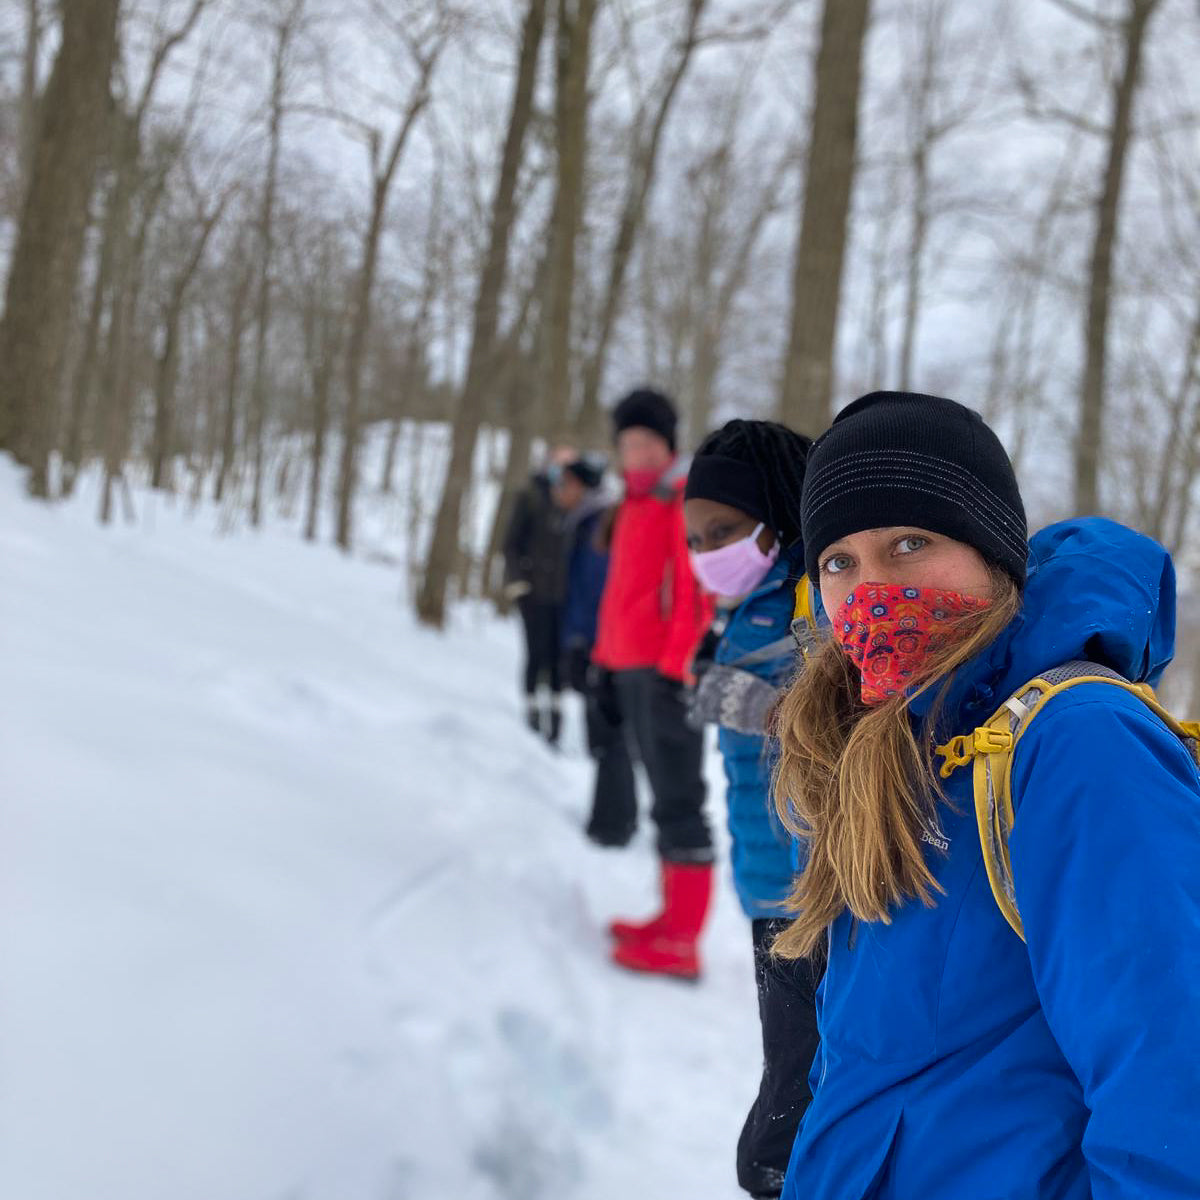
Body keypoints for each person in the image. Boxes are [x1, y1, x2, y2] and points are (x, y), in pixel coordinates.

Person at [771, 391, 1200, 1199]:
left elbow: (1173, 1090)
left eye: (909, 542)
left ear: (993, 556)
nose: (871, 590)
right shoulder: (873, 743)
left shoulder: (1077, 742)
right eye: (839, 561)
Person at [682, 419, 822, 1200]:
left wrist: (760, 704)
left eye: (724, 532)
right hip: (766, 886)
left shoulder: (811, 596)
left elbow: (832, 719)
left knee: (784, 1122)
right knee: (789, 1080)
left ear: (776, 514)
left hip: (809, 896)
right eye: (697, 539)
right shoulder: (749, 599)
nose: (708, 554)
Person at [591, 387, 715, 980]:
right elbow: (622, 595)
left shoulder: (677, 498)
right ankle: (669, 922)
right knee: (660, 794)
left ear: (667, 446)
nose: (635, 453)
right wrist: (603, 661)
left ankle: (683, 941)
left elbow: (694, 590)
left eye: (646, 443)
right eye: (627, 444)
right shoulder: (631, 503)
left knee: (678, 798)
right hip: (629, 665)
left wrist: (677, 667)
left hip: (665, 671)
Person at [502, 446, 576, 746]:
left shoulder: (573, 502)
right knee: (536, 652)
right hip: (533, 593)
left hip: (565, 596)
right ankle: (531, 710)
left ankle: (555, 716)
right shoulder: (531, 497)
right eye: (558, 465)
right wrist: (518, 582)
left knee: (559, 657)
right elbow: (510, 543)